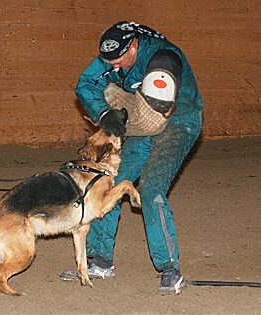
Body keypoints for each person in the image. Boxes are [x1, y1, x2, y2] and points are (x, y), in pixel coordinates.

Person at [60, 21, 204, 295]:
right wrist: (105, 114)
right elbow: (86, 82)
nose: (113, 67)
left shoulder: (164, 58)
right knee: (110, 187)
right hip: (143, 118)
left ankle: (170, 270)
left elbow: (158, 109)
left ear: (134, 45)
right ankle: (100, 262)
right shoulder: (115, 56)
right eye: (108, 61)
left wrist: (126, 117)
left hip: (178, 122)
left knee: (151, 189)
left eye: (119, 61)